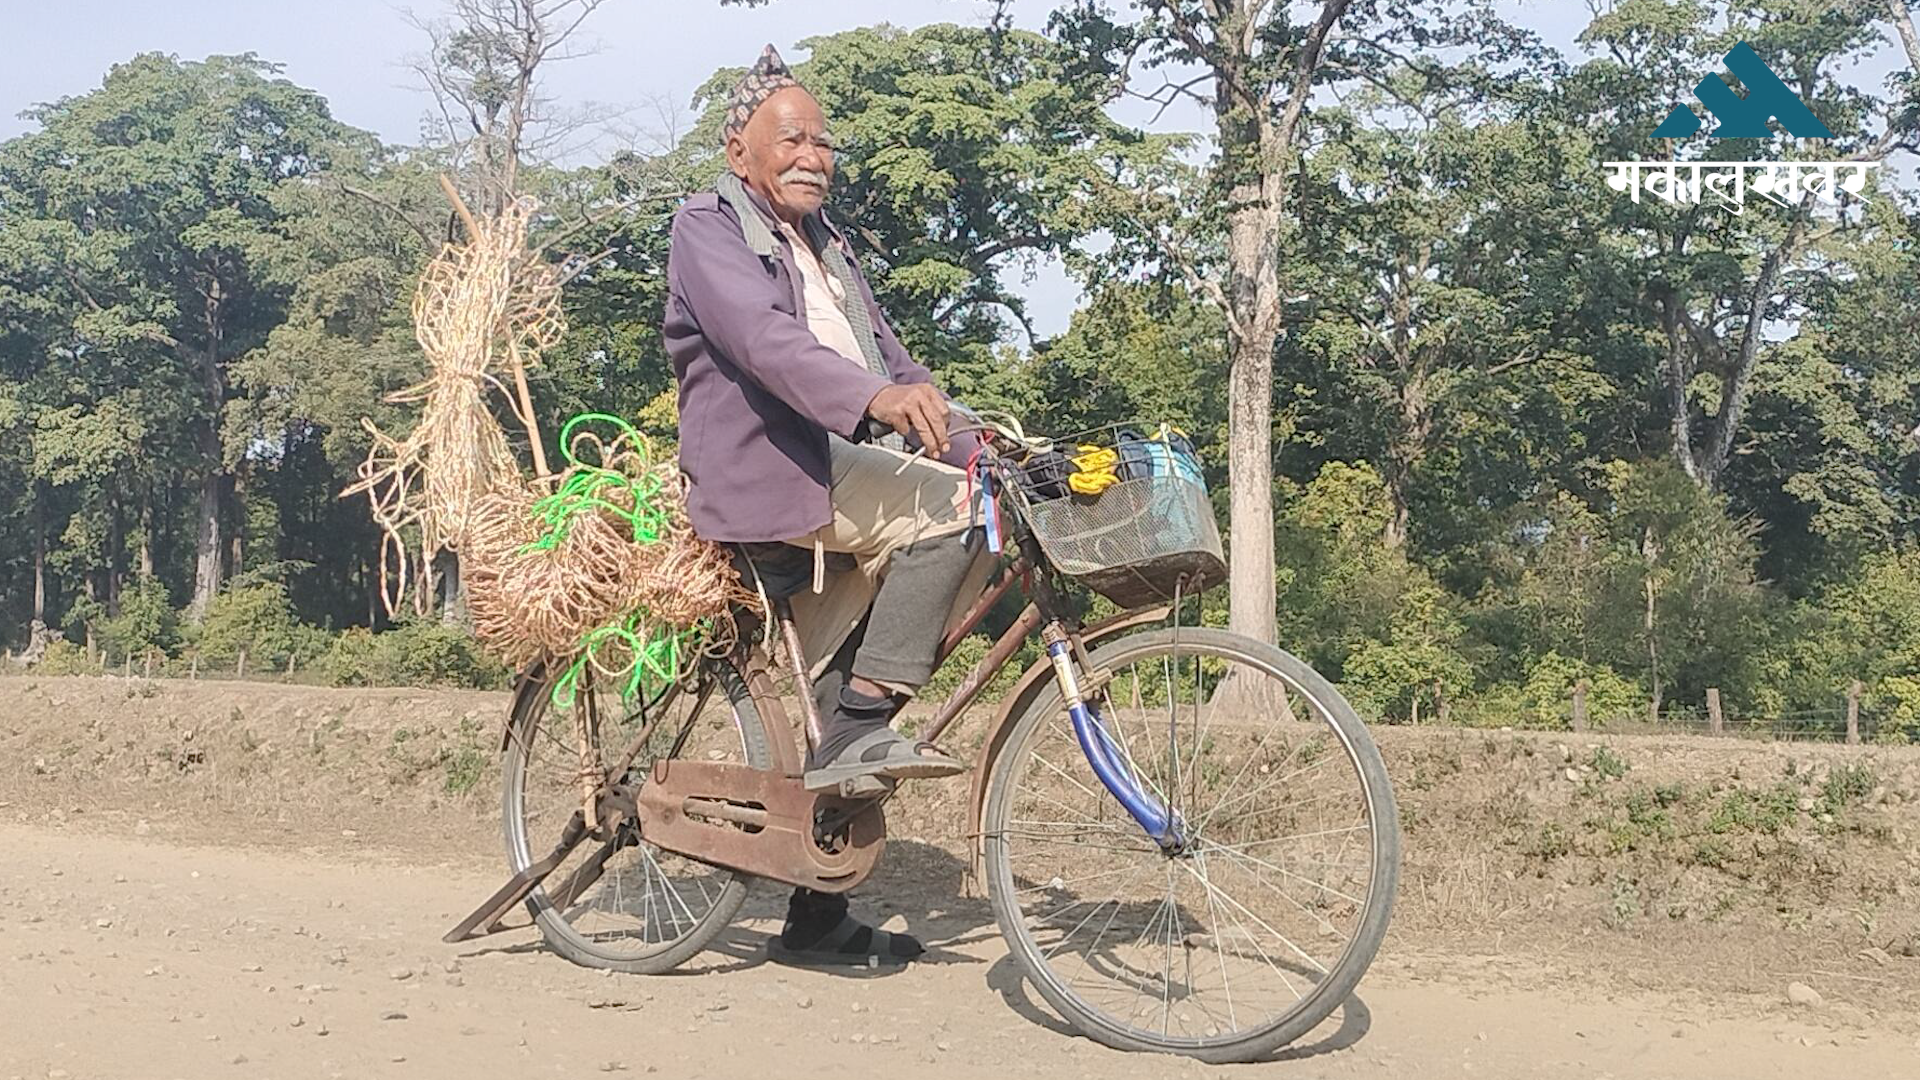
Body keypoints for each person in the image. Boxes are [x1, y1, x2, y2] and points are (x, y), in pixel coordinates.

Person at [661, 45, 990, 967]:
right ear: (740, 152)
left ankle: (814, 912)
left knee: (990, 499)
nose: (812, 155)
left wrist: (975, 435)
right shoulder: (709, 229)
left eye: (823, 141)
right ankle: (860, 717)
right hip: (771, 472)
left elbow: (896, 366)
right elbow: (765, 344)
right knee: (958, 516)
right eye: (790, 139)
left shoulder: (830, 247)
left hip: (839, 472)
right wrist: (879, 405)